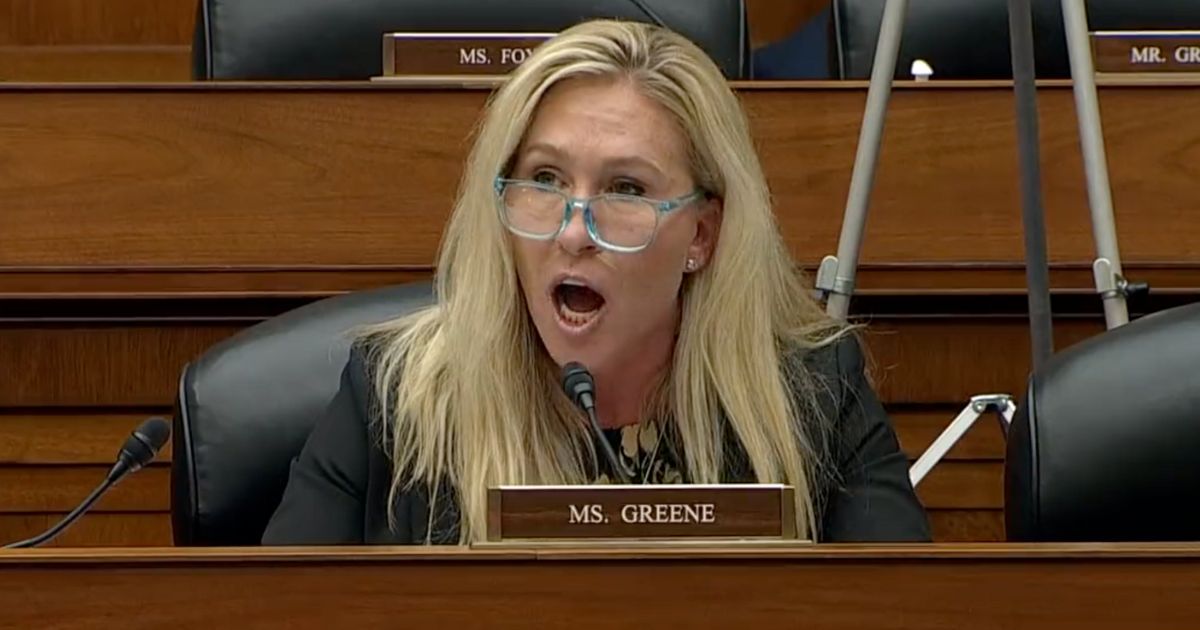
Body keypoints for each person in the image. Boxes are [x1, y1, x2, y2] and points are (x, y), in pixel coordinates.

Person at [262, 19, 930, 545]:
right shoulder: (394, 401)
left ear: (701, 235)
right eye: (545, 180)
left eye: (625, 188)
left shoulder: (813, 400)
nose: (573, 232)